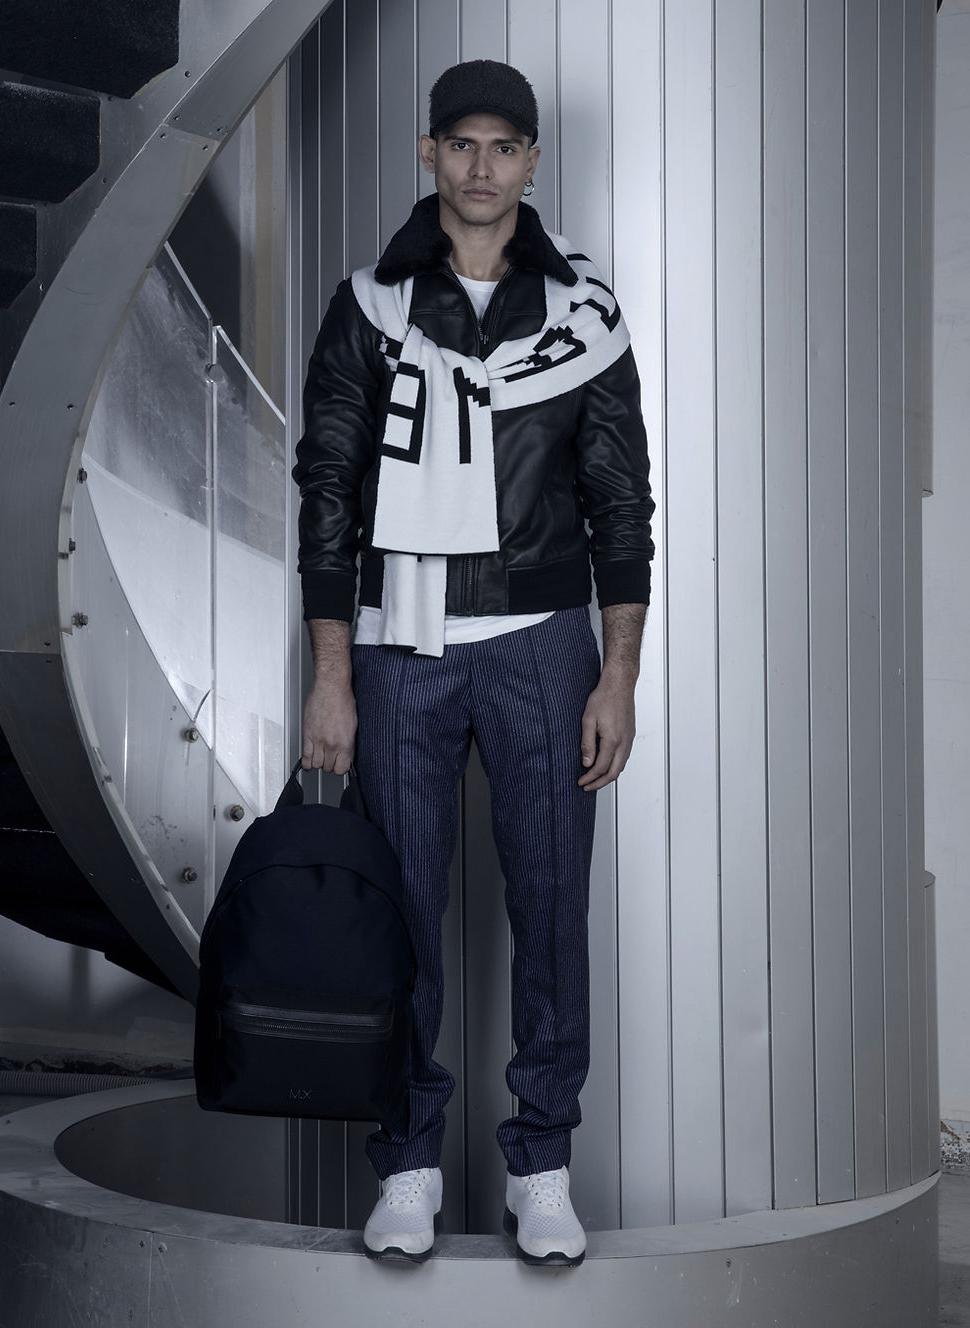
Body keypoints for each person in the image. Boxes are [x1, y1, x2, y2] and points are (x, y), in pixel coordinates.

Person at [294, 58, 654, 1267]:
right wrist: (331, 672)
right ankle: (405, 1160)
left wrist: (617, 672)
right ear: (428, 153)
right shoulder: (368, 306)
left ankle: (539, 1163)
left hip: (541, 642)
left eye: (504, 145)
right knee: (399, 909)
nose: (482, 166)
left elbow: (619, 500)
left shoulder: (584, 314)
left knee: (549, 906)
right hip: (398, 640)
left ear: (532, 162)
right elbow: (327, 491)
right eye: (462, 143)